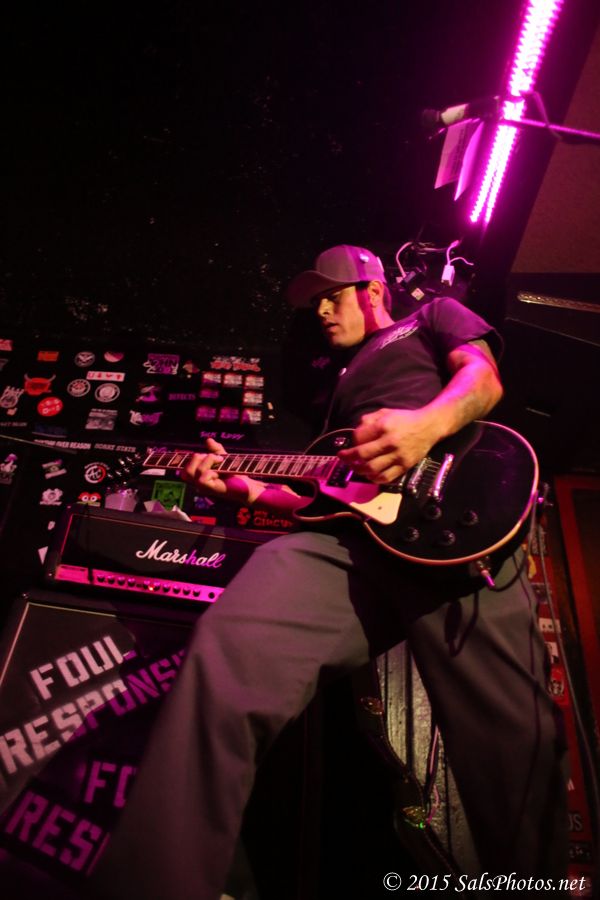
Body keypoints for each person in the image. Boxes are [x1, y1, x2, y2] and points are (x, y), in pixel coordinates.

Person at [90, 245, 568, 900]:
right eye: (314, 302)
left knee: (506, 740)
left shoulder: (430, 318)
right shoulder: (337, 391)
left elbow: (482, 381)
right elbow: (327, 498)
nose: (320, 311)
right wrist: (243, 490)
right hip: (349, 545)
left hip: (451, 526)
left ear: (374, 291)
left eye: (332, 296)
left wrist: (424, 426)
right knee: (230, 648)